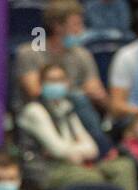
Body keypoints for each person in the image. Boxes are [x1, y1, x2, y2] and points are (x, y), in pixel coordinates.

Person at [16, 63, 138, 190]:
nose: (56, 84)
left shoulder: (66, 107)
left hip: (75, 164)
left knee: (124, 167)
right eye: (51, 80)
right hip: (48, 169)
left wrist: (75, 152)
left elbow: (92, 148)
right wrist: (76, 149)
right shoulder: (34, 110)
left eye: (60, 80)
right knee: (92, 177)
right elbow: (59, 150)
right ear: (41, 84)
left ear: (67, 83)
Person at [12, 0, 110, 149]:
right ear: (57, 26)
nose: (81, 29)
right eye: (75, 24)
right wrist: (75, 90)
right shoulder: (30, 52)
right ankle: (105, 149)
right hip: (40, 113)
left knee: (80, 101)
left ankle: (100, 148)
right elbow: (35, 91)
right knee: (78, 98)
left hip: (74, 114)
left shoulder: (82, 55)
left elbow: (97, 92)